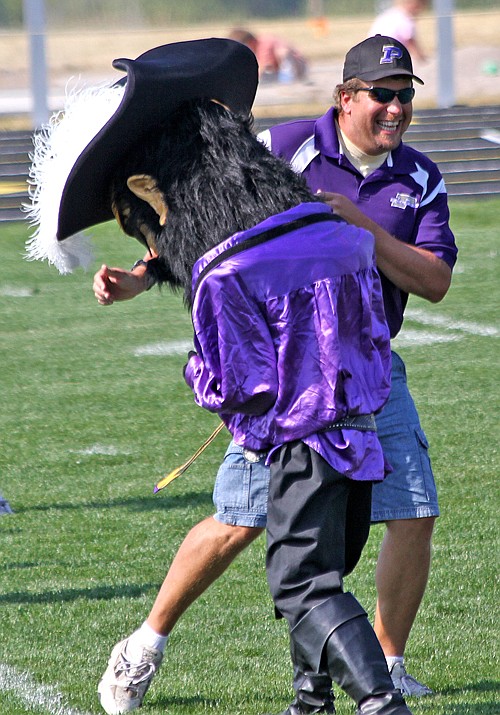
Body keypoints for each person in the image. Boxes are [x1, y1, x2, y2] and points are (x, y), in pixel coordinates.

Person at [26, 37, 412, 715]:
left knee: (303, 587)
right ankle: (309, 699)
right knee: (316, 576)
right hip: (362, 433)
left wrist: (199, 371)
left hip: (302, 442)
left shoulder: (222, 271)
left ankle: (380, 700)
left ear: (158, 197)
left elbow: (241, 385)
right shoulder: (337, 231)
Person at [229, 28, 308, 83]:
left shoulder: (263, 44)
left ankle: (289, 77)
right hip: (280, 69)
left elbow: (265, 65)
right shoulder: (256, 50)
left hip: (297, 65)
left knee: (283, 52)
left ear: (250, 42)